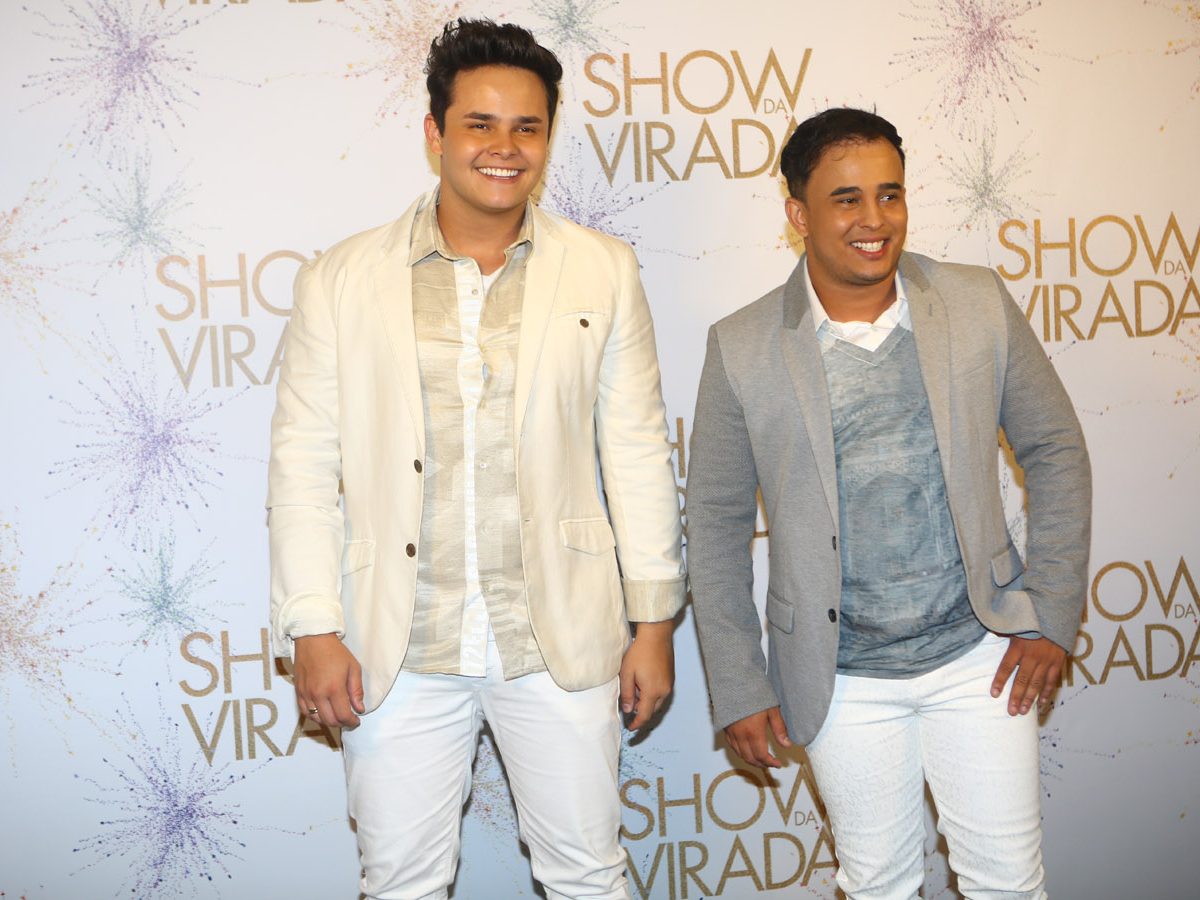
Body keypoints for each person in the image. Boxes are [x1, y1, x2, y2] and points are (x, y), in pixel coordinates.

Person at [266, 19, 685, 900]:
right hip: (398, 642)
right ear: (436, 133)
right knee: (401, 883)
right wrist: (312, 624)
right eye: (480, 125)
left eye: (527, 127)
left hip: (559, 632)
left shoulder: (603, 269)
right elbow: (301, 465)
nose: (505, 147)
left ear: (548, 137)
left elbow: (637, 450)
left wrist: (653, 623)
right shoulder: (342, 278)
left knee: (588, 876)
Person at [686, 107, 1091, 899]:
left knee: (1009, 883)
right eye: (846, 200)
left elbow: (1057, 449)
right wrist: (738, 683)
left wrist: (1049, 612)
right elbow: (715, 525)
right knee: (878, 886)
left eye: (890, 194)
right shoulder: (742, 345)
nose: (874, 220)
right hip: (840, 677)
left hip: (979, 656)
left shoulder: (976, 301)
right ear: (799, 214)